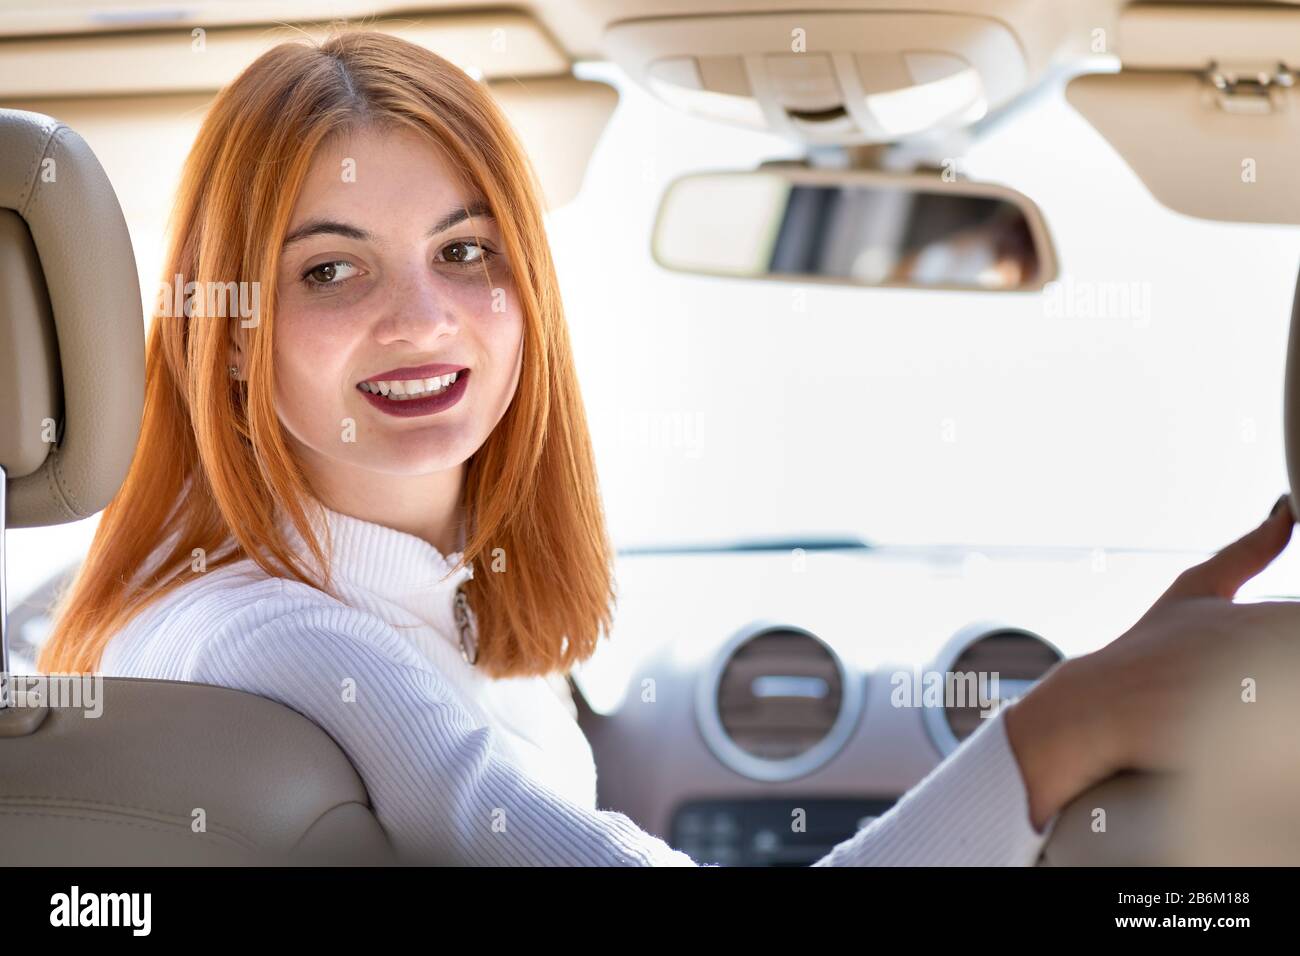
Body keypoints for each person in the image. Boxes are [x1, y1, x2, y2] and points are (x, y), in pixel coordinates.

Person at [39, 29, 1300, 865]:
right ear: (239, 337)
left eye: (466, 252)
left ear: (528, 287)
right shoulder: (285, 641)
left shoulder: (274, 604)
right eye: (331, 268)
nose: (420, 316)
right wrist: (1075, 718)